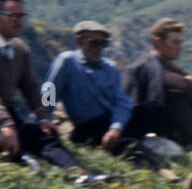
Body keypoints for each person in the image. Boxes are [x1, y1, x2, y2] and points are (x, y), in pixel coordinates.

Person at [46, 22, 158, 170]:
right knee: (126, 145)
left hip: (110, 121)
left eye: (103, 44)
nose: (99, 48)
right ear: (79, 41)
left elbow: (122, 101)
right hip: (88, 126)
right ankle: (167, 173)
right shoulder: (67, 61)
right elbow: (49, 91)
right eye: (94, 43)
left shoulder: (110, 67)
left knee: (151, 108)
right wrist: (45, 119)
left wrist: (115, 128)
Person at [0, 0, 85, 178]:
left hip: (10, 115)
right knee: (17, 148)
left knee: (45, 138)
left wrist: (43, 116)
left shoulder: (20, 48)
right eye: (13, 16)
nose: (20, 21)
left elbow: (32, 86)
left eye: (22, 16)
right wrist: (5, 124)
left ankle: (79, 175)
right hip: (3, 117)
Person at [121, 18, 192, 150]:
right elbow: (183, 86)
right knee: (176, 98)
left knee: (191, 97)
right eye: (175, 42)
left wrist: (190, 84)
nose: (180, 47)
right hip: (148, 127)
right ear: (159, 42)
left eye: (180, 42)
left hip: (169, 126)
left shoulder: (171, 68)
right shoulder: (145, 67)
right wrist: (189, 83)